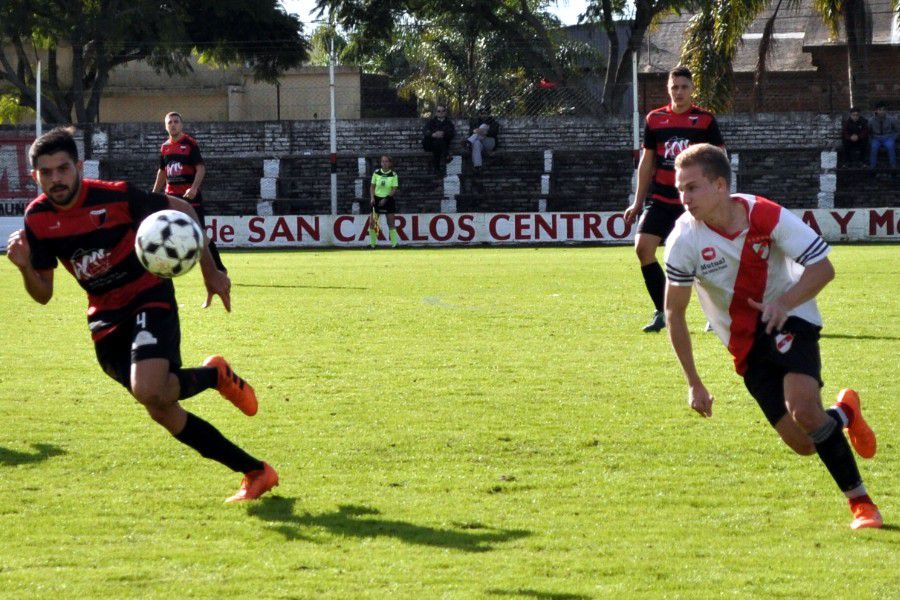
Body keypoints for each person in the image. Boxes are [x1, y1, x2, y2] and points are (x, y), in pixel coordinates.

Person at [7, 127, 278, 503]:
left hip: (148, 297)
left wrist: (211, 269)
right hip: (104, 319)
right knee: (161, 406)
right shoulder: (36, 219)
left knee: (149, 389)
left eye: (63, 169)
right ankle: (256, 470)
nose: (56, 179)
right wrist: (23, 268)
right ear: (35, 175)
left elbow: (181, 209)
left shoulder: (114, 195)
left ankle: (216, 378)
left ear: (78, 168)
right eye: (46, 172)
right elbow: (43, 295)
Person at [663, 143, 881, 530]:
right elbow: (674, 312)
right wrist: (694, 383)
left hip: (791, 316)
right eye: (680, 189)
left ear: (719, 185)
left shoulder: (766, 214)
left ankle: (862, 505)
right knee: (804, 443)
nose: (684, 198)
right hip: (744, 341)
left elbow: (823, 269)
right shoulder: (683, 239)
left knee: (804, 409)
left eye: (692, 188)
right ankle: (845, 411)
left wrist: (784, 303)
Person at [624, 66, 725, 333]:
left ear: (692, 90)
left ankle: (717, 315)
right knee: (643, 249)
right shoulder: (654, 119)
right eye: (674, 87)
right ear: (668, 89)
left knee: (707, 258)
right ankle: (663, 312)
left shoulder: (704, 120)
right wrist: (637, 202)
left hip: (693, 202)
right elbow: (647, 162)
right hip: (661, 198)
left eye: (684, 87)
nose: (679, 92)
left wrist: (718, 196)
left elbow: (720, 159)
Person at [152, 112, 227, 272]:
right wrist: (153, 193)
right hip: (171, 197)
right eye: (170, 122)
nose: (173, 124)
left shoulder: (190, 144)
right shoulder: (165, 147)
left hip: (190, 198)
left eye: (176, 121)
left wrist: (193, 188)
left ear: (181, 125)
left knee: (200, 235)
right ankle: (166, 267)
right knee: (165, 233)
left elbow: (201, 168)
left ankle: (219, 269)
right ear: (166, 126)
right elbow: (163, 172)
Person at [368, 155, 400, 248]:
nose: (384, 163)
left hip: (388, 200)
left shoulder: (393, 175)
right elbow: (372, 186)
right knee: (372, 222)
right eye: (383, 161)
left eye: (386, 161)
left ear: (390, 163)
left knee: (390, 223)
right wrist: (372, 198)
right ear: (380, 163)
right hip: (376, 199)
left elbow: (394, 189)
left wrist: (385, 199)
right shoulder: (376, 173)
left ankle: (394, 244)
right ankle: (372, 244)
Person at [422, 105, 456, 176]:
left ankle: (437, 170)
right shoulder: (431, 122)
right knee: (437, 142)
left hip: (441, 144)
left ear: (445, 112)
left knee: (438, 143)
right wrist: (433, 134)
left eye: (443, 111)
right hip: (429, 144)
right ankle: (446, 156)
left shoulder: (448, 123)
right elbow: (425, 131)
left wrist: (443, 133)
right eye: (439, 111)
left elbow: (452, 133)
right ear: (436, 113)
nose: (441, 112)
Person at [868, 103, 898, 169]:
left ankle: (893, 167)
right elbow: (868, 132)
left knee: (891, 147)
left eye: (883, 110)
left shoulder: (891, 119)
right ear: (876, 111)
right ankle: (872, 168)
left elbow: (897, 130)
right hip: (876, 138)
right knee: (873, 148)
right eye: (879, 110)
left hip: (887, 137)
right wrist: (870, 140)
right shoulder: (871, 120)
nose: (882, 111)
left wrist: (893, 138)